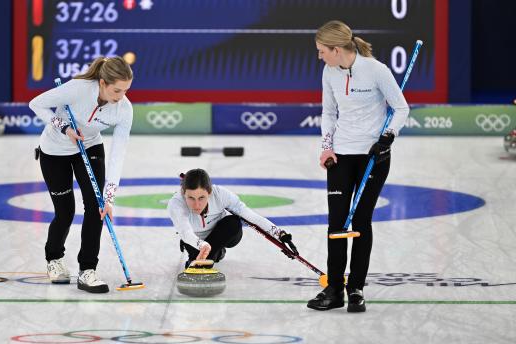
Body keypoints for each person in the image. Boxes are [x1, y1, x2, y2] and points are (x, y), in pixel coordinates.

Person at [308, 20, 409, 312]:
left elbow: (401, 108)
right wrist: (327, 146)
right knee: (337, 223)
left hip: (373, 156)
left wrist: (388, 138)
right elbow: (328, 112)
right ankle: (334, 290)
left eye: (321, 51)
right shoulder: (329, 71)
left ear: (336, 49)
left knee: (361, 222)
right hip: (341, 155)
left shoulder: (376, 70)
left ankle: (356, 289)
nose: (319, 56)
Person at [28, 56, 133, 293]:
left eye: (126, 90)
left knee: (96, 208)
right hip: (55, 150)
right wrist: (63, 127)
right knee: (64, 212)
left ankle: (88, 270)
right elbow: (36, 103)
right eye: (117, 90)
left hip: (90, 145)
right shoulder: (79, 89)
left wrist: (110, 197)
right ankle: (54, 259)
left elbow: (118, 153)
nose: (121, 96)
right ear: (103, 83)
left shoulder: (124, 109)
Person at [168, 168, 298, 268]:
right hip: (194, 239)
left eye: (201, 198)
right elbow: (185, 232)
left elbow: (249, 215)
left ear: (209, 192)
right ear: (183, 193)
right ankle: (213, 254)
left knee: (233, 223)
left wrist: (279, 234)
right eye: (191, 198)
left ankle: (212, 254)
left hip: (221, 234)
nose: (197, 205)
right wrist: (201, 244)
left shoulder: (221, 194)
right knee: (196, 259)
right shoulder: (176, 203)